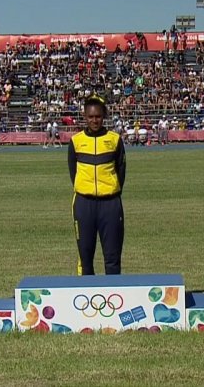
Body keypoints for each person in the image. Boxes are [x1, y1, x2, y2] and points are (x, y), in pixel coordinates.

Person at [68, 95, 126, 275]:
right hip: (84, 204)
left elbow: (121, 170)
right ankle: (86, 301)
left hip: (110, 204)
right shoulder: (76, 141)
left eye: (98, 116)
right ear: (85, 117)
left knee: (112, 258)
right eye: (91, 117)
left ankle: (114, 300)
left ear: (104, 116)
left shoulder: (114, 140)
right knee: (85, 258)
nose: (95, 120)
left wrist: (110, 190)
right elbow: (73, 171)